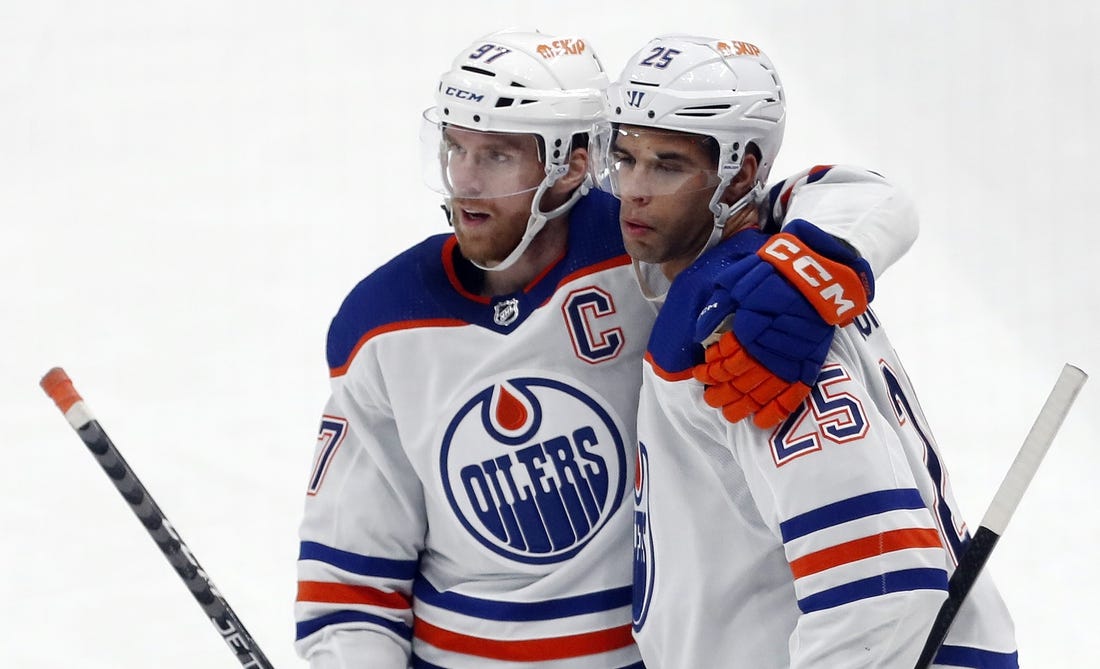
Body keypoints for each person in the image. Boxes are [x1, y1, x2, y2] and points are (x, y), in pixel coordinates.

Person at [293, 29, 918, 669]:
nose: (467, 182)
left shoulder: (652, 253)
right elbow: (349, 585)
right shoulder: (380, 321)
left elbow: (821, 199)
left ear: (570, 163)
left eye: (499, 154)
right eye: (456, 148)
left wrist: (810, 268)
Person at [603, 35, 1018, 667]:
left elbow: (881, 587)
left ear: (740, 171)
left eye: (666, 165)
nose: (634, 189)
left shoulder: (746, 326)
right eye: (625, 157)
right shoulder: (791, 266)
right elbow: (852, 191)